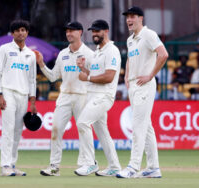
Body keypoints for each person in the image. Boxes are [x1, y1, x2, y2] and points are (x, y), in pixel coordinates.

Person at [36, 22, 94, 176]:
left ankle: (87, 163)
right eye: (67, 31)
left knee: (83, 129)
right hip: (65, 96)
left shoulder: (89, 54)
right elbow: (53, 77)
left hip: (83, 95)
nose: (69, 34)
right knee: (56, 129)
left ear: (80, 32)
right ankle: (54, 167)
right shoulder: (63, 54)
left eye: (72, 31)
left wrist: (84, 70)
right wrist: (41, 63)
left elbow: (95, 77)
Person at [117, 6, 168, 178]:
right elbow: (131, 58)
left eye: (132, 17)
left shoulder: (149, 34)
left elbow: (163, 54)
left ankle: (133, 167)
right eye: (127, 17)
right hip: (133, 85)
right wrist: (126, 75)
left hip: (145, 85)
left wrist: (150, 75)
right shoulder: (131, 39)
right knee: (146, 128)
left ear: (141, 18)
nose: (129, 20)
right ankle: (153, 168)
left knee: (138, 126)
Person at [75, 19, 122, 176]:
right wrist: (84, 69)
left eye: (97, 31)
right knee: (102, 133)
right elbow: (95, 76)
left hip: (103, 96)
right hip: (93, 95)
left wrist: (87, 78)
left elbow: (109, 77)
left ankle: (89, 163)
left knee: (82, 122)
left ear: (106, 31)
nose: (94, 34)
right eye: (93, 31)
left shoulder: (112, 50)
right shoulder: (97, 52)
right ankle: (114, 167)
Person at [0, 19, 37, 176]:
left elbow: (32, 79)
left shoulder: (31, 54)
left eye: (23, 30)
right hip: (8, 92)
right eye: (17, 30)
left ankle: (12, 164)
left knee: (18, 130)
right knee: (8, 129)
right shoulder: (4, 49)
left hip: (23, 95)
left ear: (27, 33)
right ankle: (4, 166)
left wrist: (32, 100)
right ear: (12, 33)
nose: (21, 32)